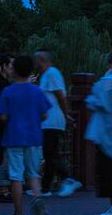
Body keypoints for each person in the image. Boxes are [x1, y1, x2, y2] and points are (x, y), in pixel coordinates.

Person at [0, 55, 51, 215]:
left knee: (16, 177)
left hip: (14, 138)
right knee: (33, 173)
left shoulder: (8, 91)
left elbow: (2, 116)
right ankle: (37, 197)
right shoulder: (36, 91)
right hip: (34, 138)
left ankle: (19, 214)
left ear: (15, 70)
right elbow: (44, 114)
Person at [35, 50, 82, 197]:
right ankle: (45, 188)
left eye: (36, 60)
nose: (35, 63)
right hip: (49, 120)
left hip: (52, 120)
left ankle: (68, 179)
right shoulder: (47, 75)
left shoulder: (52, 73)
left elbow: (60, 95)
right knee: (50, 154)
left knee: (50, 153)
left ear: (42, 60)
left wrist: (65, 114)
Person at [85, 50, 112, 215]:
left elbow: (92, 102)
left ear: (110, 63)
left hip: (108, 135)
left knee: (111, 172)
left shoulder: (104, 84)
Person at [0, 55, 15, 203]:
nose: (13, 69)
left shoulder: (4, 83)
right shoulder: (0, 83)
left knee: (4, 155)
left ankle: (3, 187)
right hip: (1, 124)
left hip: (3, 123)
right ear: (4, 66)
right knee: (2, 156)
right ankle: (1, 189)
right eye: (11, 65)